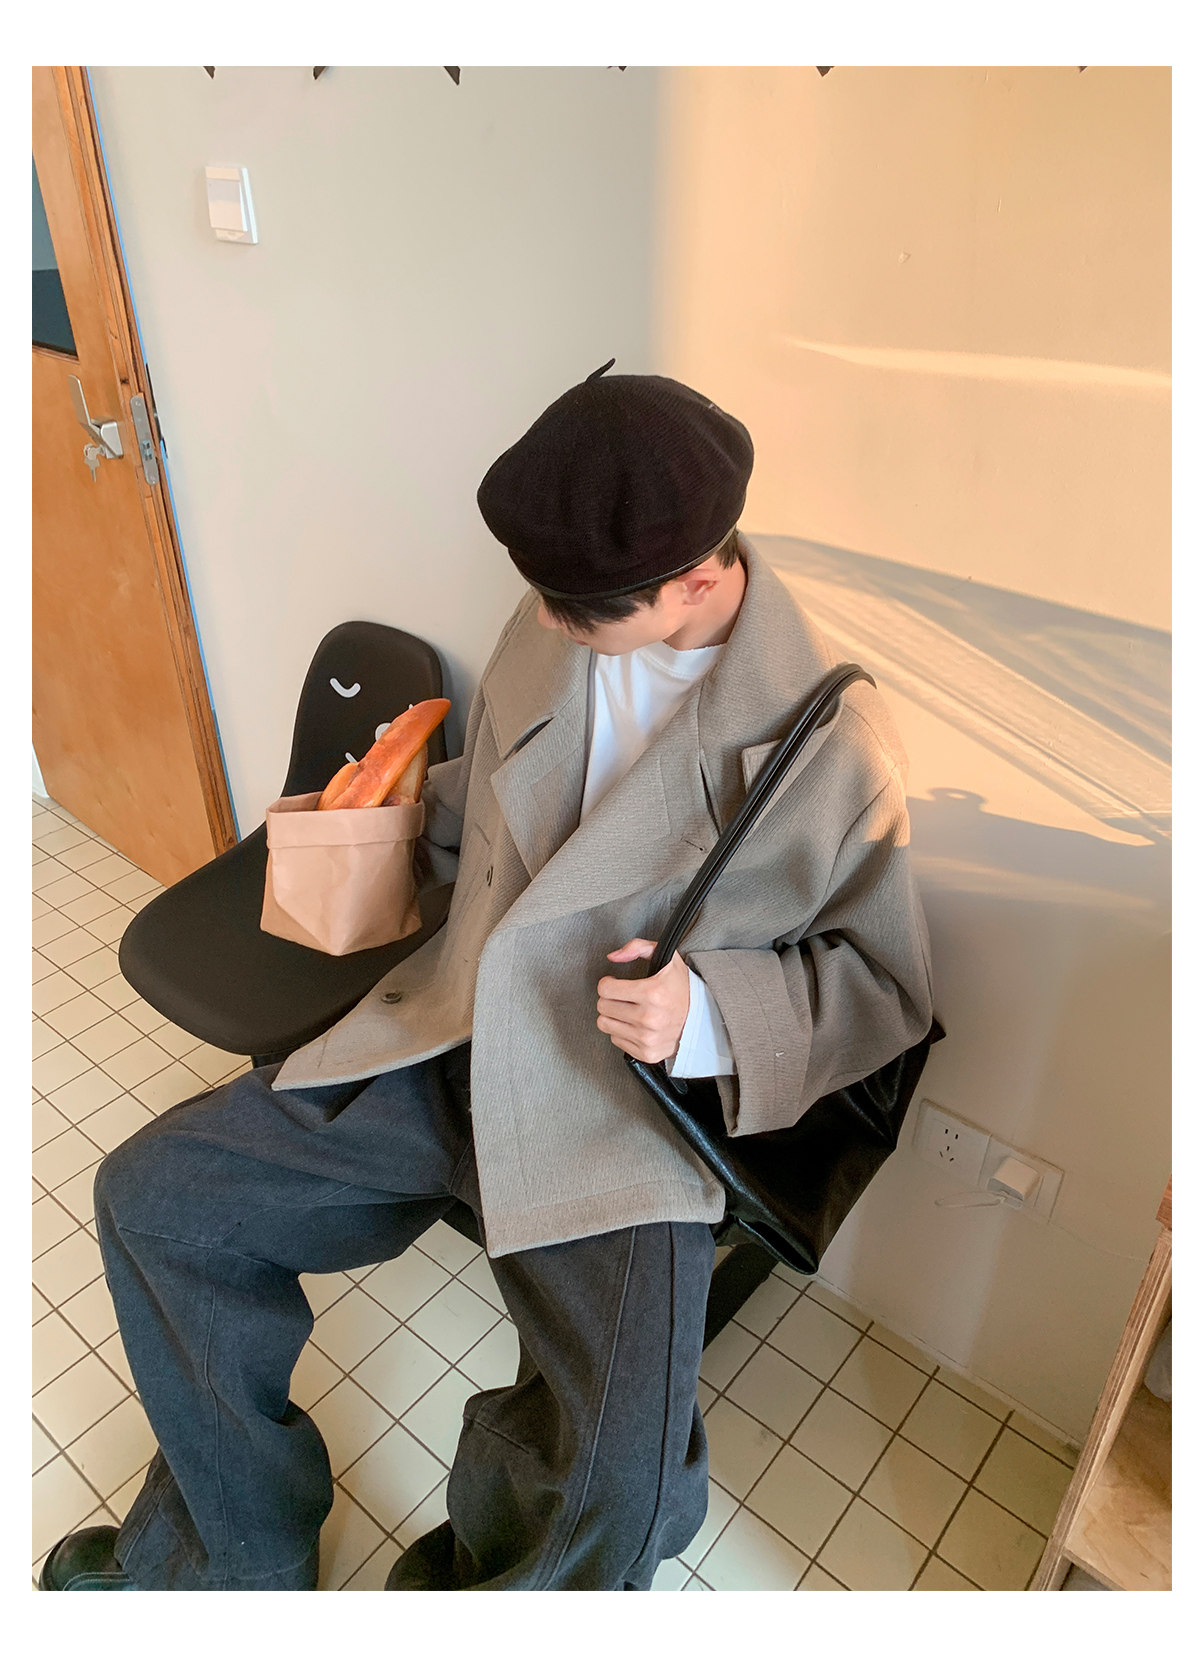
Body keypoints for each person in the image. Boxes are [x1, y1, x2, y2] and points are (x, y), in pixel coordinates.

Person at [40, 364, 934, 1592]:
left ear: (695, 578)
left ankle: (479, 1591)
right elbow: (500, 811)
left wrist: (709, 1014)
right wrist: (384, 813)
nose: (547, 622)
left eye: (580, 610)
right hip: (451, 1037)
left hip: (619, 1115)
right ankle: (226, 1553)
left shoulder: (830, 745)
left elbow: (884, 986)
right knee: (158, 1198)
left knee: (622, 1484)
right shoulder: (553, 623)